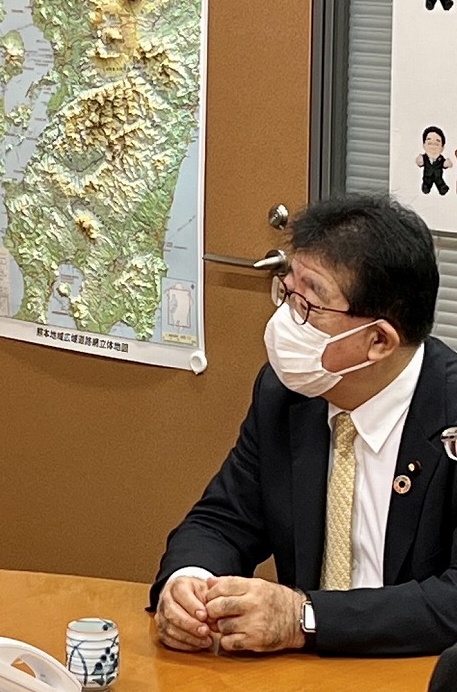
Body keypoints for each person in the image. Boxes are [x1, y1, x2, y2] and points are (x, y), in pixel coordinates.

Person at [150, 194, 457, 657]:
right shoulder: (286, 395)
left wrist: (305, 618)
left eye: (309, 305)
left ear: (378, 340)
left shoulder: (449, 415)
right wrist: (188, 581)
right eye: (287, 291)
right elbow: (224, 520)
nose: (286, 321)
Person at [416, 126, 451, 195]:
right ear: (424, 145)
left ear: (442, 147)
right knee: (427, 183)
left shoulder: (441, 158)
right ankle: (426, 186)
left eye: (437, 144)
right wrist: (419, 161)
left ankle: (442, 188)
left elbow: (444, 164)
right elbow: (420, 163)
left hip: (438, 176)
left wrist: (447, 163)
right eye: (429, 143)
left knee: (440, 182)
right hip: (428, 176)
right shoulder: (424, 157)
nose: (433, 147)